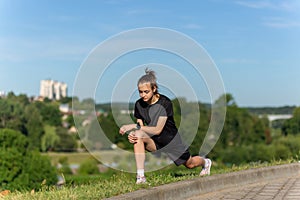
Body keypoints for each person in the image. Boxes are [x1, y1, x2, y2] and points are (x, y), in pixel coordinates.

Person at [119, 68, 211, 184]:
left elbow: (157, 130)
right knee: (138, 136)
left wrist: (132, 127)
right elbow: (140, 126)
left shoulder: (165, 103)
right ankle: (140, 177)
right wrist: (134, 134)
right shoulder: (138, 104)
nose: (143, 95)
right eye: (140, 92)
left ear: (154, 88)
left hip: (171, 140)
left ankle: (205, 163)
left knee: (190, 164)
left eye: (146, 91)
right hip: (155, 142)